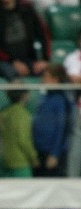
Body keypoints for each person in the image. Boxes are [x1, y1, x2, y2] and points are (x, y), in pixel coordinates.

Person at [0, 0, 51, 81]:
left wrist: (44, 60)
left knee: (49, 73)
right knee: (13, 75)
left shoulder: (27, 9)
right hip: (2, 60)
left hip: (28, 59)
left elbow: (44, 34)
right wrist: (12, 61)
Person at [31, 63, 73, 177]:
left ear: (55, 80)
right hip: (40, 151)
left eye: (46, 77)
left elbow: (63, 128)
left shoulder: (62, 100)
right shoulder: (44, 98)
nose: (43, 80)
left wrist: (55, 153)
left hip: (53, 153)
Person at [0, 88, 38, 177]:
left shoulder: (4, 113)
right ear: (24, 96)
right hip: (21, 163)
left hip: (6, 161)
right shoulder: (23, 114)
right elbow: (23, 139)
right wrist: (33, 157)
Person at [63, 30, 81, 178]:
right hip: (77, 109)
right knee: (76, 144)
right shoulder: (72, 58)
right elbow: (74, 79)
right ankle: (72, 178)